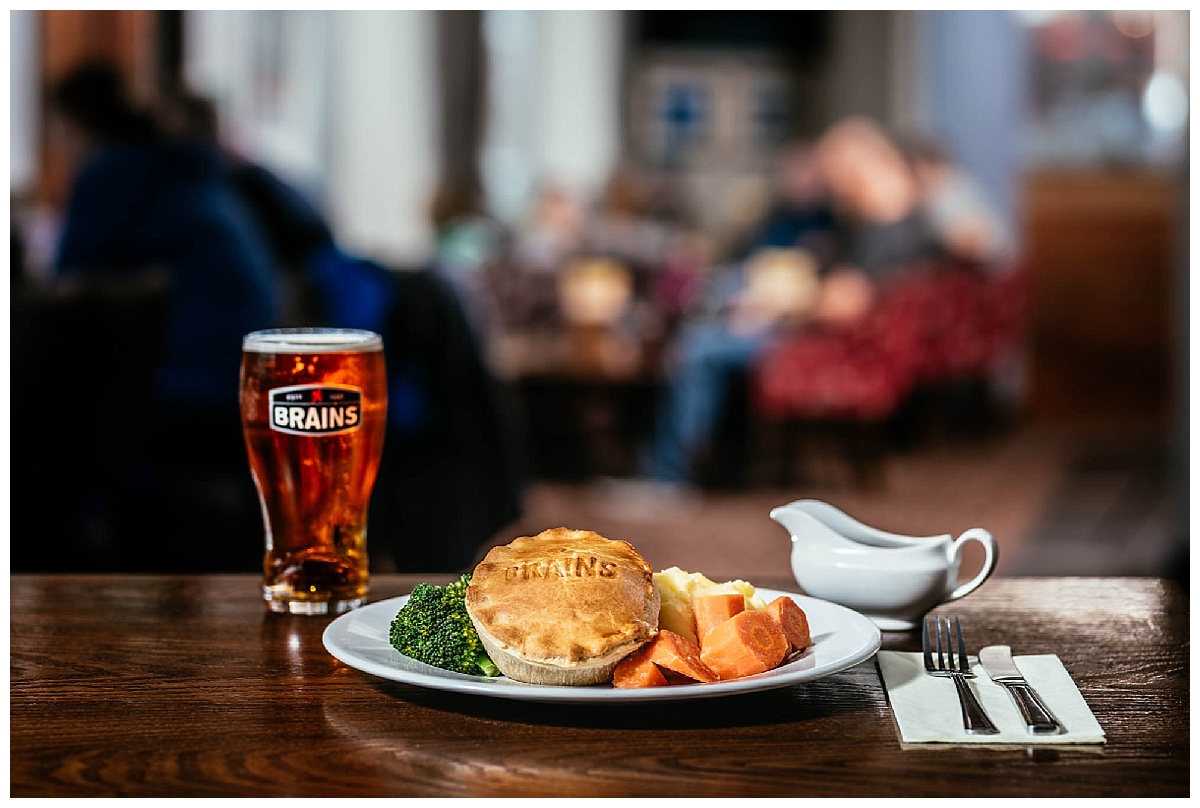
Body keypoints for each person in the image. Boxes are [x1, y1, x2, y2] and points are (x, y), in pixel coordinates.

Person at [24, 60, 283, 570]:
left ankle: (55, 587)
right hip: (240, 383)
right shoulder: (190, 167)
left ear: (74, 125)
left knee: (46, 420)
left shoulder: (113, 172)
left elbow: (66, 289)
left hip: (189, 395)